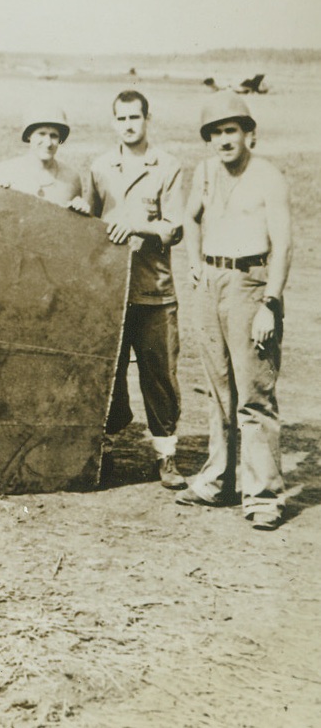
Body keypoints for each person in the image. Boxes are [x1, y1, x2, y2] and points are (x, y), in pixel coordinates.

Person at [177, 96, 292, 531]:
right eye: (216, 132)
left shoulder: (268, 177)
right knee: (217, 387)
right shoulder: (205, 172)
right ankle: (217, 480)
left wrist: (271, 303)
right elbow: (190, 218)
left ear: (249, 134)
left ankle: (263, 495)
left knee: (254, 394)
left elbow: (283, 245)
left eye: (232, 130)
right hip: (211, 282)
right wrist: (194, 261)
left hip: (251, 284)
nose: (224, 139)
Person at [85, 91, 185, 488]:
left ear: (147, 120)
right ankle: (104, 451)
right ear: (113, 123)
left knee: (159, 375)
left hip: (154, 290)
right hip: (111, 294)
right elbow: (89, 225)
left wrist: (137, 226)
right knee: (109, 376)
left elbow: (173, 228)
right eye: (122, 118)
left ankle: (167, 456)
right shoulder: (99, 168)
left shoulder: (168, 167)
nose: (129, 124)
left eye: (135, 117)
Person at [0, 103, 89, 212]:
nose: (48, 143)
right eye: (41, 134)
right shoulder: (5, 171)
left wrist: (81, 210)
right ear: (29, 135)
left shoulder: (71, 179)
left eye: (53, 136)